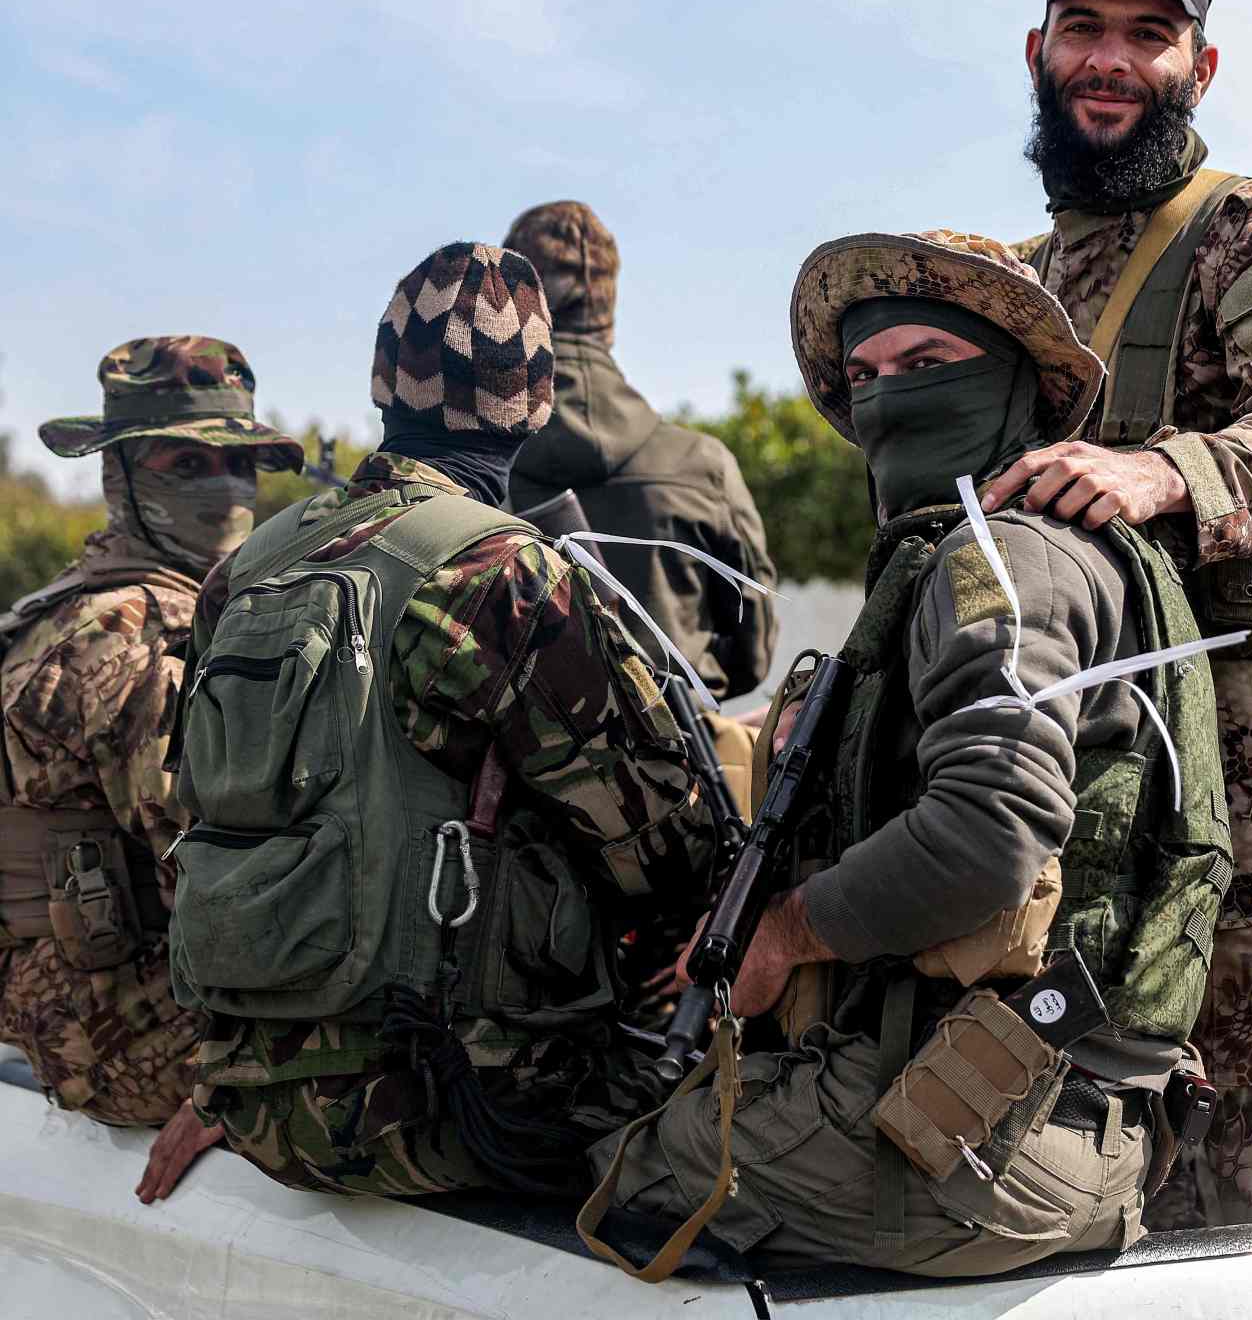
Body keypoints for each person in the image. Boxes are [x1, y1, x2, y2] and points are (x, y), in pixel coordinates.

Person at [581, 231, 1232, 1277]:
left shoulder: (1000, 561)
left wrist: (783, 936)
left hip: (991, 1133)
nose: (888, 397)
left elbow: (988, 833)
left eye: (927, 364)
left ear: (1014, 384)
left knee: (608, 1170)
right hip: (1042, 1102)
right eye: (865, 375)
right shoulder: (1029, 551)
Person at [984, 0, 1252, 1222]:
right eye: (1085, 30)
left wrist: (1165, 473)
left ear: (1199, 68)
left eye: (1147, 36)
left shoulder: (1251, 228)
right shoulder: (1018, 282)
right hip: (1082, 790)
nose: (1111, 60)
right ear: (1039, 51)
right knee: (1099, 1172)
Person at [170, 243, 700, 1198]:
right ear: (537, 405)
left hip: (249, 1099)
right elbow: (663, 843)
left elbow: (193, 803)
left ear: (382, 383)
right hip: (449, 1103)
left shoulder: (245, 571)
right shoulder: (503, 572)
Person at [0, 337, 304, 1202]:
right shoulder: (130, 635)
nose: (226, 490)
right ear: (122, 476)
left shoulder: (80, 598)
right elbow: (214, 868)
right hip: (107, 1024)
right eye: (189, 464)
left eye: (239, 465)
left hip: (80, 993)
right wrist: (237, 1080)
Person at [506, 200, 778, 702]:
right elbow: (753, 651)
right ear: (608, 310)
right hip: (681, 742)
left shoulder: (469, 476)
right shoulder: (703, 464)